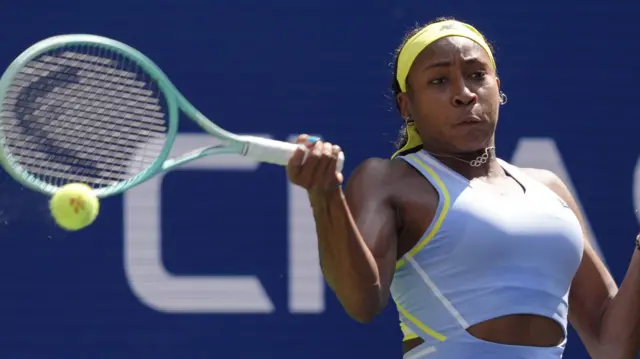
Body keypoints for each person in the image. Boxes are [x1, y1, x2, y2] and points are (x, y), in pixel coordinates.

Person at [286, 16, 640, 359]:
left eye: (476, 75)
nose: (464, 94)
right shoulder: (389, 180)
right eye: (439, 81)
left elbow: (612, 346)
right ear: (407, 106)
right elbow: (361, 300)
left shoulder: (550, 189)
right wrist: (325, 196)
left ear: (498, 89)